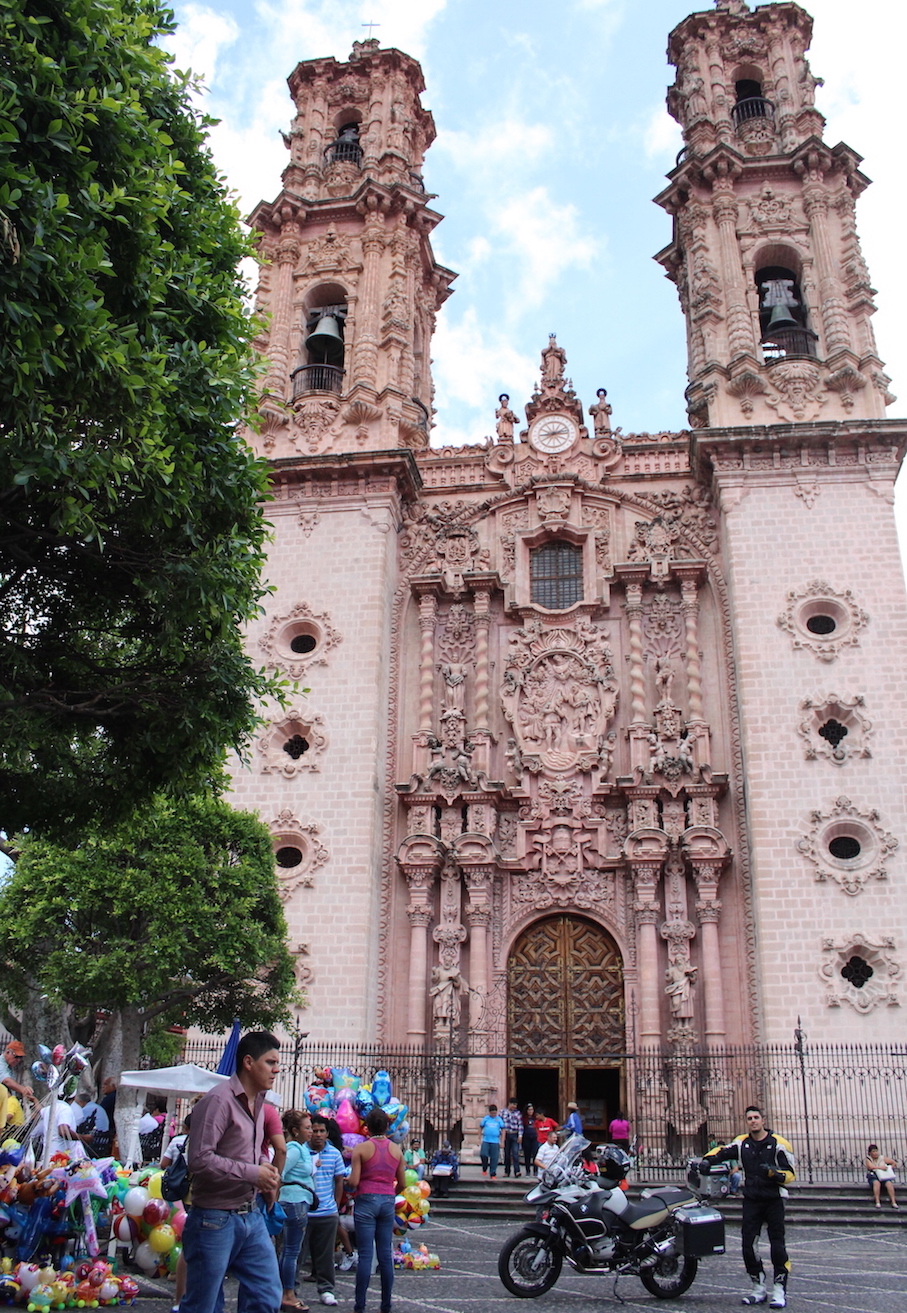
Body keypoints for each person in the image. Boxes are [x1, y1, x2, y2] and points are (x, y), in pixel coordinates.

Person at [181, 1030, 283, 1313]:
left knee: (267, 1296)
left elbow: (254, 1149)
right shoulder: (218, 1101)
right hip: (214, 1219)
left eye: (277, 1063)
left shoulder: (262, 1103)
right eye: (270, 1062)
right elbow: (199, 1160)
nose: (276, 1069)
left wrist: (263, 1163)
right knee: (203, 1304)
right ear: (248, 1062)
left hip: (251, 1215)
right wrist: (252, 1174)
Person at [700, 1105, 795, 1309]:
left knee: (777, 1246)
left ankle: (779, 1289)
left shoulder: (779, 1143)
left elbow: (790, 1174)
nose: (753, 1121)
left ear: (763, 1119)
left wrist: (774, 1174)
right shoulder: (742, 1143)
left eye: (756, 1117)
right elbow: (722, 1151)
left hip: (773, 1199)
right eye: (749, 1118)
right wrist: (707, 1160)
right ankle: (758, 1287)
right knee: (748, 1246)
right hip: (752, 1199)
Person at [346, 1108, 406, 1313]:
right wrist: (390, 1191)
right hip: (387, 1200)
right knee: (385, 1254)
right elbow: (403, 1183)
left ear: (367, 1127)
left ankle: (360, 1305)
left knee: (365, 1254)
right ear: (387, 1126)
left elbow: (354, 1181)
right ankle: (386, 1304)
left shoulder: (361, 1149)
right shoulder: (397, 1151)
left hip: (365, 1200)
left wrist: (347, 1185)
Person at [303, 1114, 346, 1306]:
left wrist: (335, 1206)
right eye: (314, 1130)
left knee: (325, 1255)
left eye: (321, 1131)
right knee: (296, 1254)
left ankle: (327, 1289)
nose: (317, 1135)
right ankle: (289, 1289)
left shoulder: (335, 1154)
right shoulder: (301, 1151)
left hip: (326, 1212)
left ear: (327, 1133)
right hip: (303, 1211)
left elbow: (339, 1181)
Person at [278, 1110, 316, 1312]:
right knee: (292, 1251)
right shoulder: (294, 1148)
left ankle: (284, 1291)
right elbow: (281, 1171)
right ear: (295, 1130)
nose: (310, 1131)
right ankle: (288, 1293)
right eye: (307, 1128)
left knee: (289, 1251)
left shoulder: (300, 1147)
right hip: (295, 1202)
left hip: (297, 1201)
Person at [161, 1116, 192, 1313]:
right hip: (198, 1197)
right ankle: (183, 1300)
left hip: (185, 1196)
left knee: (188, 1246)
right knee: (193, 1248)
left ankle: (180, 1300)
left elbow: (164, 1163)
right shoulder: (200, 1141)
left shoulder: (178, 1140)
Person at [0, 1041, 35, 1127]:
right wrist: (23, 1090)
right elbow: (6, 1081)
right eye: (16, 1056)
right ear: (8, 1052)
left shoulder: (10, 1068)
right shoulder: (1, 1064)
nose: (18, 1060)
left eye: (20, 1057)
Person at [865, 1144, 899, 1209]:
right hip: (874, 1176)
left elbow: (893, 1163)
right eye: (873, 1151)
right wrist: (881, 1167)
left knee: (889, 1184)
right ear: (870, 1153)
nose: (875, 1153)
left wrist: (889, 1168)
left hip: (883, 1176)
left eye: (876, 1151)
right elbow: (870, 1167)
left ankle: (893, 1202)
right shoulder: (868, 1159)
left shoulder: (882, 1158)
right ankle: (877, 1201)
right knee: (876, 1183)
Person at [479, 1104, 504, 1180]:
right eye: (492, 1113)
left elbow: (503, 1129)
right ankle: (484, 1167)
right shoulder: (486, 1119)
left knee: (494, 1158)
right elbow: (480, 1127)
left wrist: (502, 1141)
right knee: (483, 1154)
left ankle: (493, 1173)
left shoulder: (499, 1119)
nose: (493, 1115)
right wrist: (479, 1138)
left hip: (495, 1141)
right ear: (489, 1112)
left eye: (495, 1113)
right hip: (486, 1140)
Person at [501, 1098, 522, 1178]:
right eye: (513, 1104)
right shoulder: (502, 1112)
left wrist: (520, 1136)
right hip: (506, 1134)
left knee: (515, 1154)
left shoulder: (518, 1113)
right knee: (507, 1154)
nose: (514, 1106)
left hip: (514, 1134)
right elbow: (500, 1124)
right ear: (509, 1104)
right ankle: (507, 1171)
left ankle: (517, 1171)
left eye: (515, 1105)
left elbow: (520, 1125)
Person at [521, 1104, 539, 1176]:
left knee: (535, 1154)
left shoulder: (536, 1118)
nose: (530, 1111)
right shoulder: (523, 1118)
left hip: (535, 1138)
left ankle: (535, 1171)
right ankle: (527, 1171)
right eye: (529, 1110)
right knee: (527, 1155)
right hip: (526, 1138)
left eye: (532, 1110)